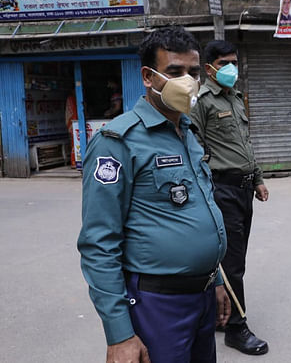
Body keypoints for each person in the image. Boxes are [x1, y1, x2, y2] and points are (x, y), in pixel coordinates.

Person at [77, 26, 230, 363]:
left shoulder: (187, 132)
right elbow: (99, 242)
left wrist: (216, 280)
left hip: (202, 297)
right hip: (158, 304)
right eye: (175, 72)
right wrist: (120, 334)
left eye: (193, 72)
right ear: (148, 76)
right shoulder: (118, 142)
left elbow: (198, 211)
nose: (187, 81)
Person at [190, 40, 270, 356]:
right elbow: (192, 147)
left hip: (243, 188)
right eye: (225, 63)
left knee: (234, 260)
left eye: (234, 62)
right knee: (231, 263)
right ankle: (236, 328)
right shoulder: (202, 102)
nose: (231, 69)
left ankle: (218, 313)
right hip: (220, 189)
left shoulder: (235, 98)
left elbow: (244, 144)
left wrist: (258, 179)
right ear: (210, 68)